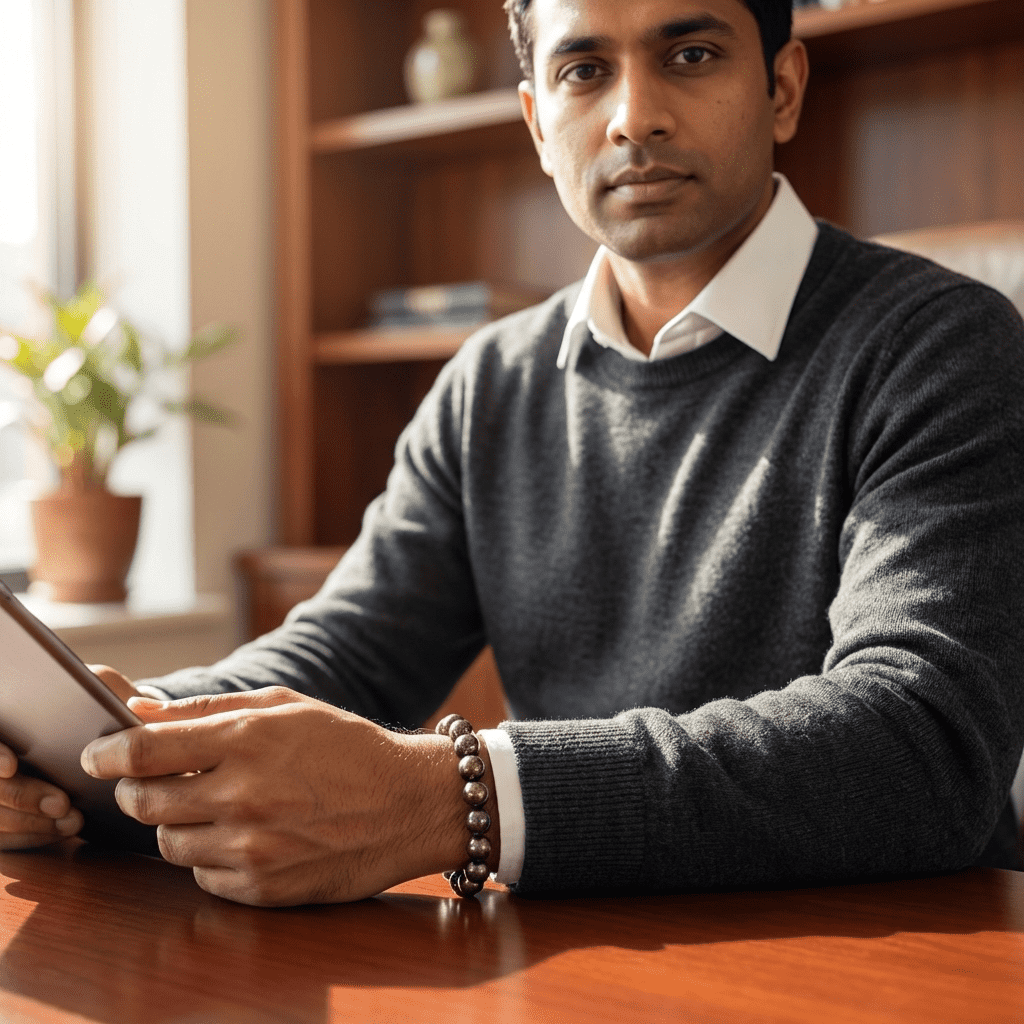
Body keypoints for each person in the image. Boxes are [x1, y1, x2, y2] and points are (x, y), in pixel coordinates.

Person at [2, 0, 1022, 906]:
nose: (633, 117)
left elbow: (922, 742)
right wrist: (125, 737)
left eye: (693, 53)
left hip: (884, 956)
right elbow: (348, 650)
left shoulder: (942, 346)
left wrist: (459, 797)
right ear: (538, 122)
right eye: (583, 70)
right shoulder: (490, 380)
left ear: (782, 88)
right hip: (579, 961)